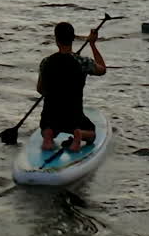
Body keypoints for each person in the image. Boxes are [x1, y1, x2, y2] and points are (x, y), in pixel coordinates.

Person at [38, 21, 106, 152]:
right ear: (73, 39)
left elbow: (40, 89)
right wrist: (92, 44)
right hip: (74, 117)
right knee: (92, 133)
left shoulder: (45, 62)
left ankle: (48, 136)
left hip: (50, 117)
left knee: (46, 127)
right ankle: (79, 134)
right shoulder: (83, 62)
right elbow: (102, 69)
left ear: (56, 40)